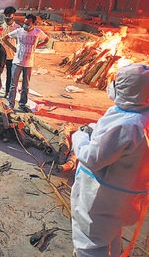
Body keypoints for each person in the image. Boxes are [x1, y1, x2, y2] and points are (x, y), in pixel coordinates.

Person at [70, 63, 149, 257]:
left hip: (102, 198)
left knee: (90, 245)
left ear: (127, 89)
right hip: (123, 198)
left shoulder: (127, 125)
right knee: (112, 236)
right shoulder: (138, 116)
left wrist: (79, 137)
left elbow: (93, 157)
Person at [3, 14, 49, 112]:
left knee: (26, 85)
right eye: (24, 23)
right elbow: (4, 38)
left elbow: (47, 39)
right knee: (13, 85)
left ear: (34, 23)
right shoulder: (19, 31)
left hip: (29, 63)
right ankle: (11, 104)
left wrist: (37, 46)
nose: (25, 25)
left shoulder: (37, 32)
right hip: (17, 62)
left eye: (27, 23)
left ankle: (22, 103)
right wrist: (12, 47)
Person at [1, 6, 20, 97]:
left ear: (13, 15)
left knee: (10, 75)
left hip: (11, 56)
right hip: (0, 54)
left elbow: (19, 41)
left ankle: (7, 92)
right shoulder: (1, 26)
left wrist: (15, 49)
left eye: (9, 15)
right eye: (6, 15)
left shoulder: (17, 28)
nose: (8, 17)